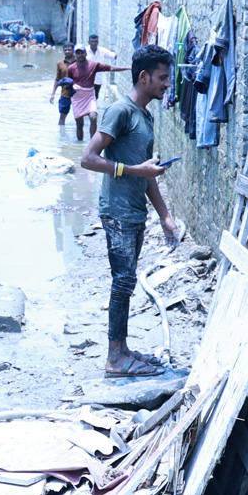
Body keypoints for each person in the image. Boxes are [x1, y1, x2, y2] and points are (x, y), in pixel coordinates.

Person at [80, 44, 183, 378]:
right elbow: (89, 159)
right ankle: (114, 359)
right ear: (143, 77)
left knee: (126, 282)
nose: (168, 84)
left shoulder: (146, 115)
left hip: (135, 211)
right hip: (118, 211)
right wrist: (135, 171)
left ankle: (122, 349)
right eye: (163, 78)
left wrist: (165, 216)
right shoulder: (120, 112)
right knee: (122, 282)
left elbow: (148, 171)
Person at [65, 46, 120, 142]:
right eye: (78, 53)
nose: (80, 55)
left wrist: (128, 68)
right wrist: (70, 88)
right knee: (79, 124)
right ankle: (80, 145)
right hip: (77, 97)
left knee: (93, 117)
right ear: (75, 55)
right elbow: (67, 83)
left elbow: (110, 68)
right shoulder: (71, 68)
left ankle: (92, 143)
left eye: (82, 52)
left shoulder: (93, 65)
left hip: (89, 95)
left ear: (86, 53)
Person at [51, 46, 75, 128]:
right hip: (65, 94)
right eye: (65, 50)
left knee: (79, 117)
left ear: (73, 50)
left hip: (78, 93)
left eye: (69, 50)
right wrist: (53, 94)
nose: (67, 51)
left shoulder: (79, 62)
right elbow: (57, 79)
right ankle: (61, 135)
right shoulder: (60, 63)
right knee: (62, 116)